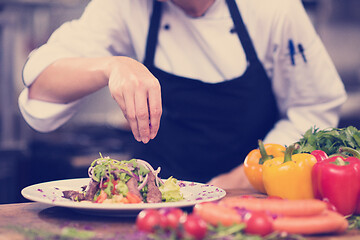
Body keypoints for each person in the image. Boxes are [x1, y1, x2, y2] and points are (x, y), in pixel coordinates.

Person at [18, 0, 347, 188]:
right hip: (157, 203)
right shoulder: (127, 6)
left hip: (250, 202)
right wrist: (110, 66)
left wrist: (245, 177)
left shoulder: (273, 9)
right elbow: (41, 90)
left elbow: (313, 105)